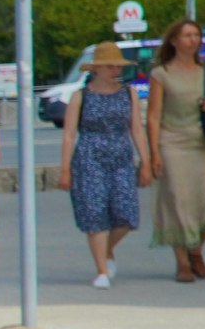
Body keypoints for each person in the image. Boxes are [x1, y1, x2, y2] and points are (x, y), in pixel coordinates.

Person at [145, 18, 205, 282]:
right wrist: (154, 154)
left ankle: (196, 250)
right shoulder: (162, 74)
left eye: (196, 35)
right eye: (187, 35)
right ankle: (182, 263)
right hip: (173, 143)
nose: (193, 40)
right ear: (174, 41)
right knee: (179, 203)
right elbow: (153, 116)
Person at [59, 42, 143, 288]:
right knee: (95, 212)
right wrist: (65, 169)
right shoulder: (81, 96)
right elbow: (69, 134)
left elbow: (136, 128)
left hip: (121, 156)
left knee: (127, 214)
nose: (115, 70)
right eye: (110, 65)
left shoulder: (129, 93)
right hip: (89, 157)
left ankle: (105, 249)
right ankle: (102, 270)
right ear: (96, 68)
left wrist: (146, 161)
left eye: (117, 65)